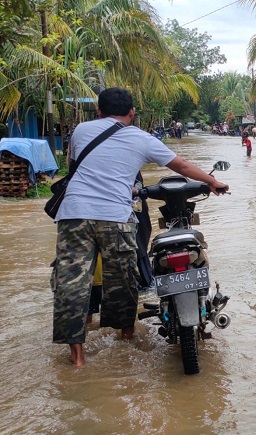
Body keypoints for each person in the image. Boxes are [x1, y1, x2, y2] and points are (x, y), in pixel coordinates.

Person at [52, 87, 229, 367]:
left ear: (98, 111)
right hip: (115, 216)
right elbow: (181, 165)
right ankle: (126, 338)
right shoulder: (142, 138)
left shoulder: (80, 131)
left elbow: (76, 166)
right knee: (122, 279)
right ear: (132, 112)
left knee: (71, 284)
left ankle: (77, 358)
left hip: (73, 215)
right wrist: (212, 182)